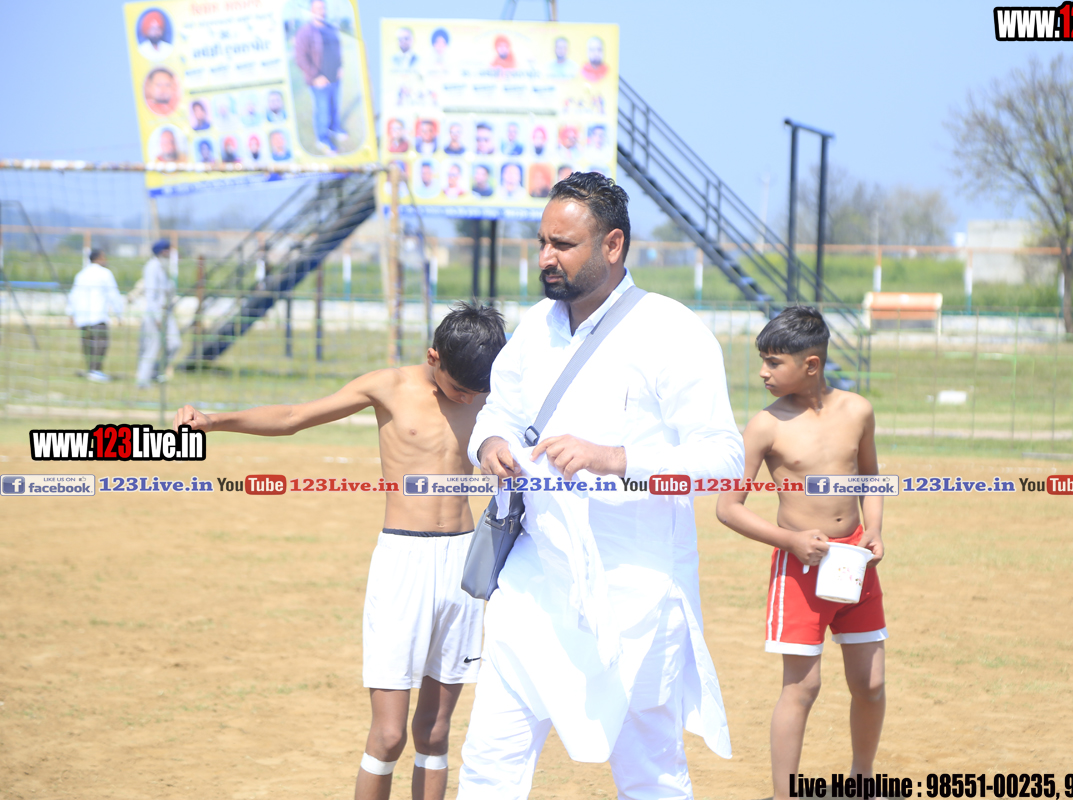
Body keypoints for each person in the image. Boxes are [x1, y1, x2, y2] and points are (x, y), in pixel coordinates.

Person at [459, 172, 744, 799]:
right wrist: (491, 444)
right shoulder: (535, 326)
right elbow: (497, 410)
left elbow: (724, 461)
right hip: (533, 578)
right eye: (542, 242)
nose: (545, 258)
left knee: (650, 776)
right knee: (489, 760)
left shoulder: (671, 331)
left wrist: (616, 459)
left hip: (635, 589)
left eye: (563, 245)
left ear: (613, 245)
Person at [172, 304, 507, 800]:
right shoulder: (387, 386)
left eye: (478, 391)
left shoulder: (491, 395)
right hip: (404, 560)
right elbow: (294, 417)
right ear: (433, 357)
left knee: (435, 732)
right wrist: (214, 420)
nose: (470, 399)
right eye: (460, 389)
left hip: (463, 564)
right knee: (388, 735)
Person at [715, 306, 886, 800]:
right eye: (763, 361)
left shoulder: (858, 411)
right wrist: (790, 541)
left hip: (854, 564)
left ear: (811, 364)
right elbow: (728, 507)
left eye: (774, 362)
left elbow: (871, 479)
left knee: (871, 683)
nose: (763, 373)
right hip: (800, 572)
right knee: (802, 687)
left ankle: (862, 780)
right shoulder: (765, 426)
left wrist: (874, 529)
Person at [294, 0, 348, 154]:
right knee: (322, 111)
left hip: (334, 77)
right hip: (318, 81)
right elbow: (300, 58)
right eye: (317, 8)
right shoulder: (305, 32)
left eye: (323, 8)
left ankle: (334, 128)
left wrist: (340, 66)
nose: (321, 11)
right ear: (311, 10)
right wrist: (315, 77)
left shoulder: (330, 28)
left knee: (334, 106)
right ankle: (322, 140)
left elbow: (337, 49)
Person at [65, 249, 125, 383]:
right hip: (98, 315)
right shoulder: (105, 273)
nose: (106, 260)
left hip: (83, 316)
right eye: (104, 257)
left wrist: (71, 313)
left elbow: (73, 295)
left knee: (87, 344)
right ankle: (95, 371)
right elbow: (113, 294)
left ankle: (91, 370)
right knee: (100, 343)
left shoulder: (81, 274)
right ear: (98, 258)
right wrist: (119, 313)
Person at [135, 239, 182, 389]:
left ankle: (156, 372)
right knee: (152, 346)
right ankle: (143, 380)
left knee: (174, 343)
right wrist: (156, 316)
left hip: (167, 311)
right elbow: (151, 294)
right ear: (163, 252)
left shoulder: (164, 267)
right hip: (155, 312)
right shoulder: (152, 267)